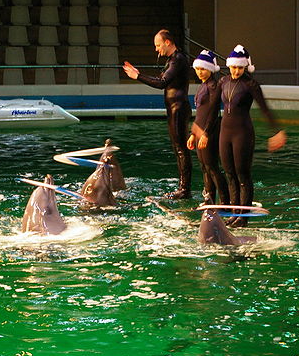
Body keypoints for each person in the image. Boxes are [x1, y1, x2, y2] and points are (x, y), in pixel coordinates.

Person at [219, 44, 286, 226]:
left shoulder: (250, 84)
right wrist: (200, 129)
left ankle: (244, 216)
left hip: (242, 134)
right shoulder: (223, 82)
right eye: (233, 67)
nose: (236, 71)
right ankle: (235, 212)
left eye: (240, 67)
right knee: (229, 173)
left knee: (243, 175)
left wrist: (277, 131)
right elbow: (211, 109)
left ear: (245, 67)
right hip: (225, 133)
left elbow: (265, 109)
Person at [122, 29, 192, 199]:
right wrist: (139, 74)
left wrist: (137, 76)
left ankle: (184, 189)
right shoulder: (171, 60)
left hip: (179, 109)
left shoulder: (178, 59)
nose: (156, 49)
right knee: (178, 149)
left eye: (158, 45)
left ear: (168, 42)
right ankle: (183, 187)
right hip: (174, 108)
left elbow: (161, 83)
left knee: (181, 149)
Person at [187, 50, 228, 205]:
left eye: (202, 69)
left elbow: (212, 113)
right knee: (204, 167)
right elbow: (200, 114)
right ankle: (209, 198)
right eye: (197, 69)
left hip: (209, 131)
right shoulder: (203, 86)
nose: (199, 72)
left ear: (210, 69)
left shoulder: (213, 87)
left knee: (212, 167)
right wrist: (193, 134)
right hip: (200, 132)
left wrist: (205, 133)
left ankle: (225, 201)